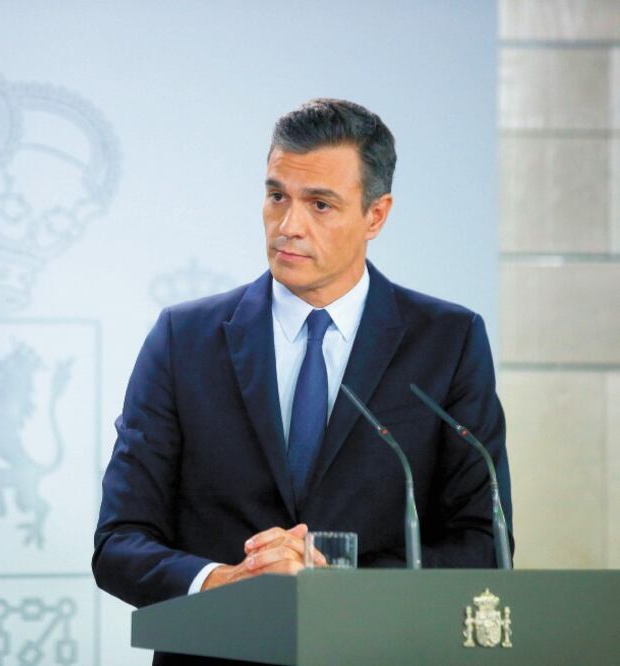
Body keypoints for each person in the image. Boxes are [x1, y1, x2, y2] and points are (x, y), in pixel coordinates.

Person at [92, 98, 512, 664]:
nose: (289, 226)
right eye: (276, 197)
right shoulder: (183, 339)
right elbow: (119, 542)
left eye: (320, 204)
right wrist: (223, 581)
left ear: (376, 214)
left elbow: (485, 543)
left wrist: (339, 582)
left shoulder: (447, 341)